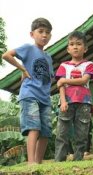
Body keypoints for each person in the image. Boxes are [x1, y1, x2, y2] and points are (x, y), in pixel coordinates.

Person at [2, 18, 53, 164]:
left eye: (47, 33)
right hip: (30, 94)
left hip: (45, 98)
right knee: (34, 128)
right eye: (40, 31)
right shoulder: (28, 48)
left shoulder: (48, 57)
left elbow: (49, 78)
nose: (44, 35)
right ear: (32, 34)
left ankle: (38, 163)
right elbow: (6, 55)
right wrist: (22, 69)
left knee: (46, 132)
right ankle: (31, 163)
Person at [54, 31, 93, 161]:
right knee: (62, 133)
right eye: (72, 44)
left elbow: (84, 80)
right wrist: (63, 101)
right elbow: (60, 86)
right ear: (68, 49)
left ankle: (78, 160)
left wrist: (65, 80)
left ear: (85, 48)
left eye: (79, 44)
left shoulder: (89, 64)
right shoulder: (63, 66)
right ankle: (58, 161)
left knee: (82, 134)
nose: (75, 47)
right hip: (66, 102)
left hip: (84, 103)